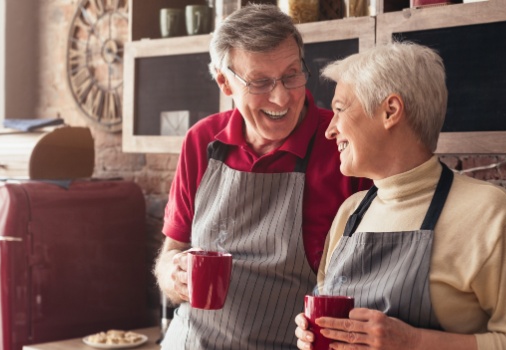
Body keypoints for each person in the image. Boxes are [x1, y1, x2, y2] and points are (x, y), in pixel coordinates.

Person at [293, 42, 506, 349]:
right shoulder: (350, 213)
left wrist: (414, 341)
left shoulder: (490, 214)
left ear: (390, 111)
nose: (330, 129)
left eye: (340, 110)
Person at [154, 4, 372, 349]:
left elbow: (374, 281)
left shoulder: (341, 142)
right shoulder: (201, 140)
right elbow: (173, 250)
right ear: (225, 82)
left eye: (291, 75)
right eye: (260, 82)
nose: (281, 97)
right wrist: (171, 274)